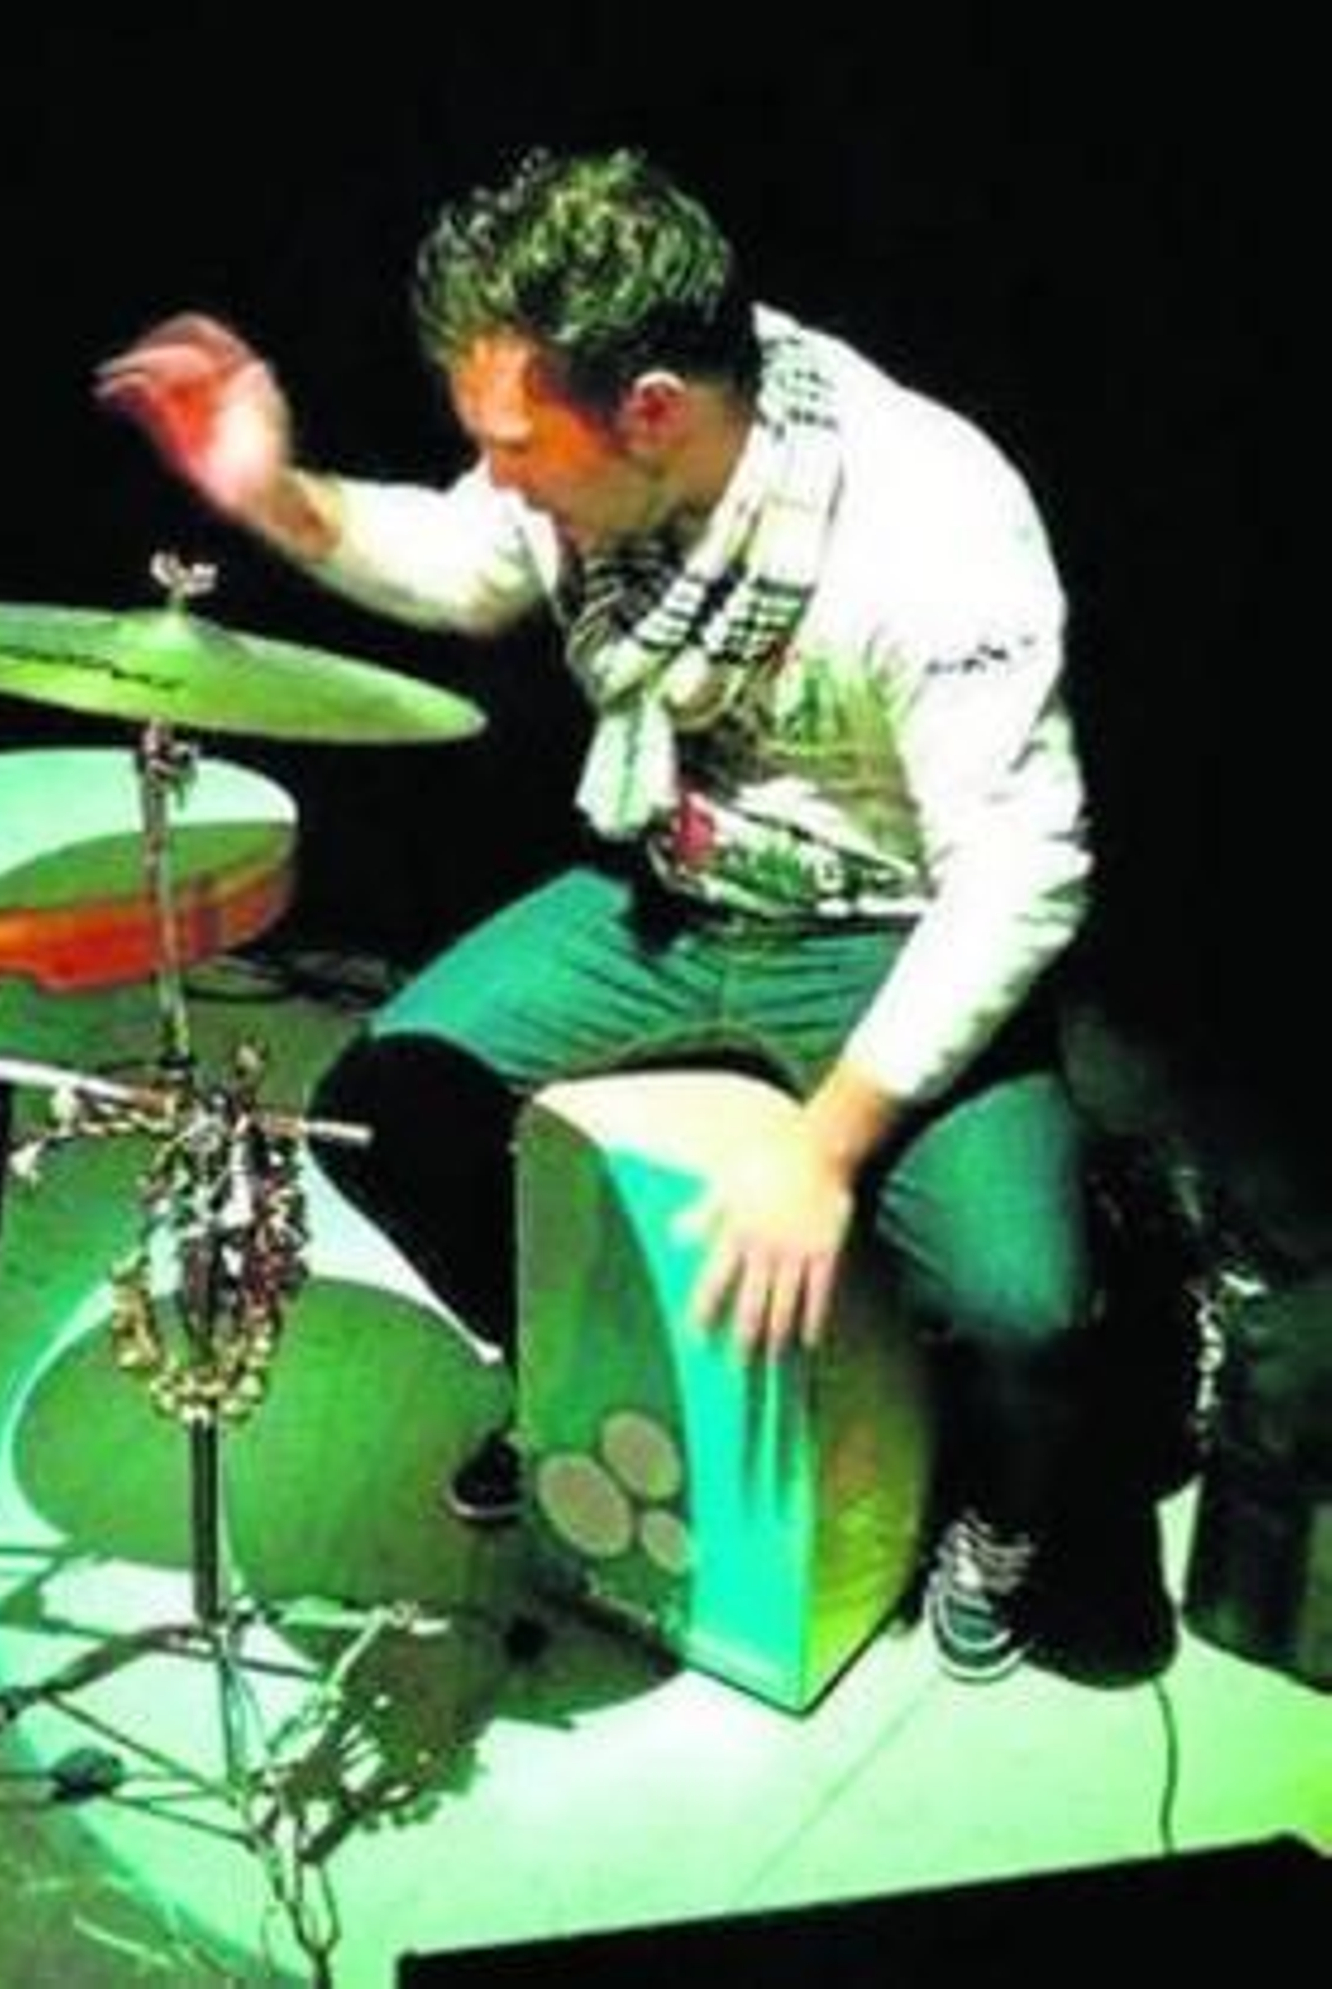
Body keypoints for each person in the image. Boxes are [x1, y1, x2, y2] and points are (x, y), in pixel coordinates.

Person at [96, 146, 1104, 1685]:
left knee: (1028, 1305)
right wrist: (275, 497)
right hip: (672, 894)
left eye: (513, 445)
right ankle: (575, 1381)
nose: (496, 477)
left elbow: (1024, 870)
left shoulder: (932, 522)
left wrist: (825, 1146)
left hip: (889, 926)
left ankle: (1003, 1511)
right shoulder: (604, 466)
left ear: (652, 410)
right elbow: (467, 567)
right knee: (381, 1112)